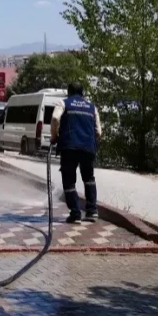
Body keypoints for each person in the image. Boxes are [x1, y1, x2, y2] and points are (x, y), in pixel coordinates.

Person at [50, 82, 103, 223]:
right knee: (89, 179)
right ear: (82, 92)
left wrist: (54, 137)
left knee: (69, 181)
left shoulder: (64, 103)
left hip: (69, 148)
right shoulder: (92, 107)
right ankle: (92, 211)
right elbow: (99, 131)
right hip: (88, 148)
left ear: (69, 91)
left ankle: (75, 213)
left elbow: (55, 118)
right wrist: (93, 142)